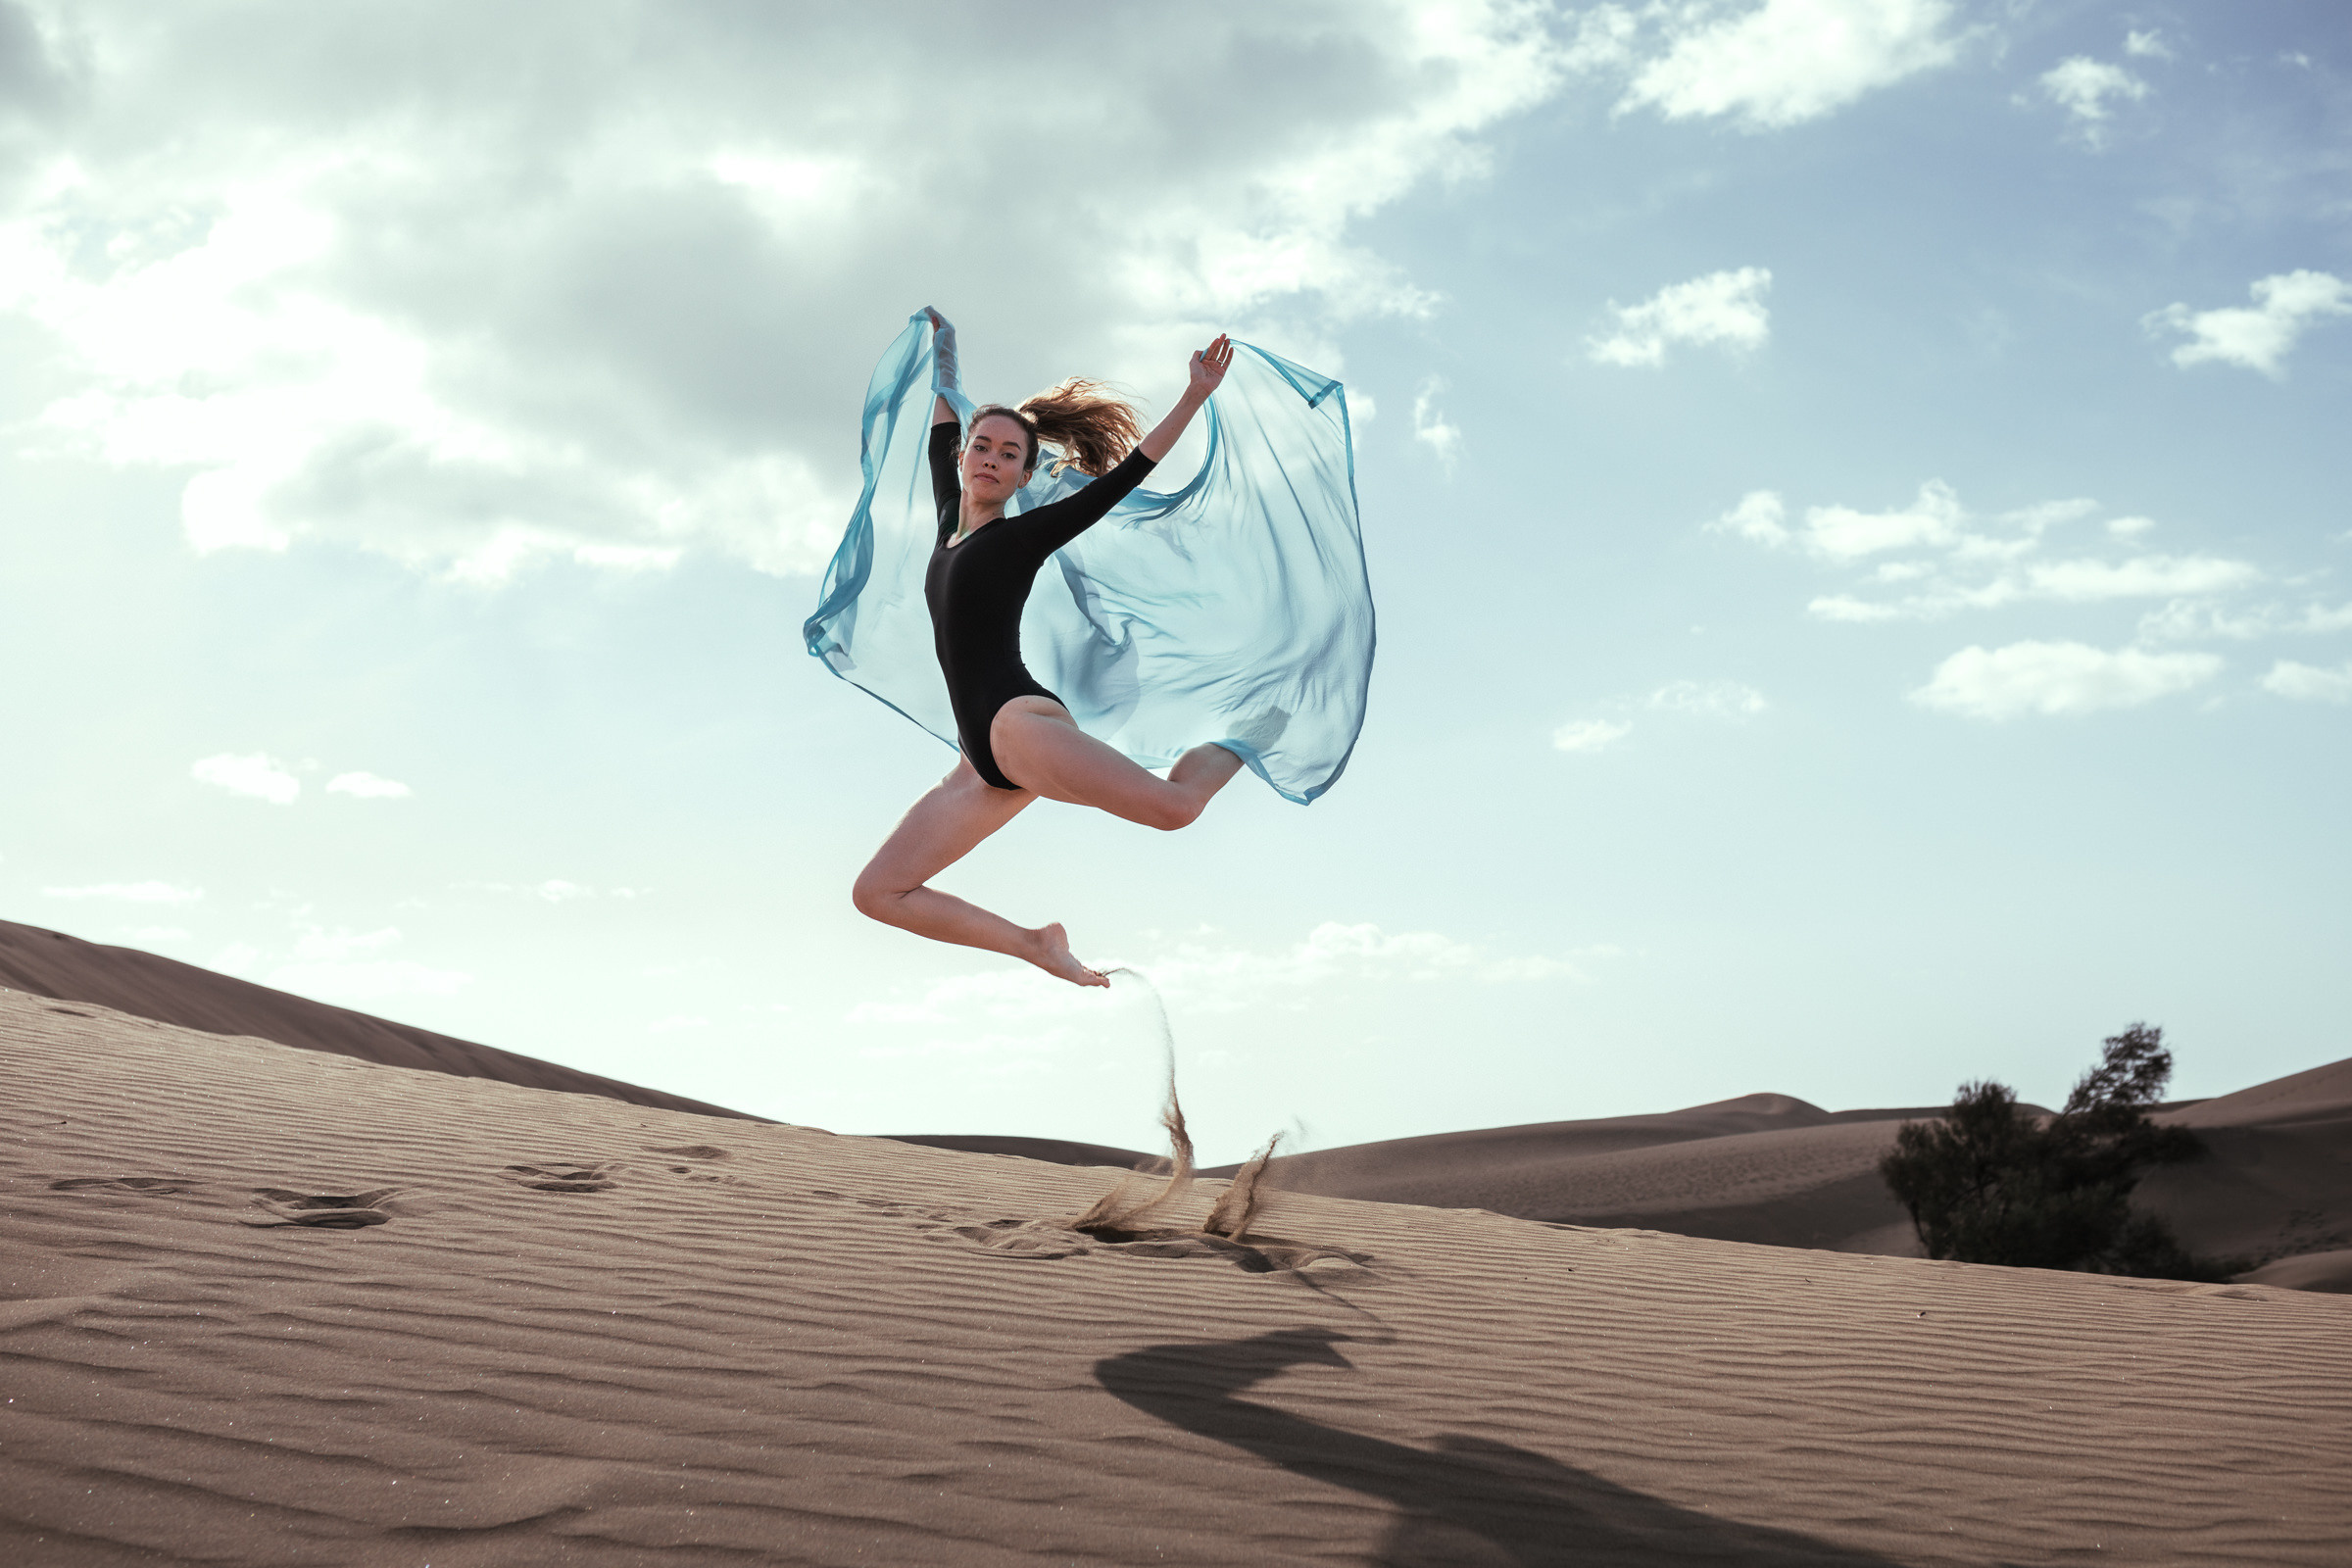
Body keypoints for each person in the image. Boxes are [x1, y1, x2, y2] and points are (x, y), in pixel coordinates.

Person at [850, 310, 1247, 987]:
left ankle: (1255, 729)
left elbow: (1127, 475)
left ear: (1024, 474)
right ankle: (1036, 945)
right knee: (878, 893)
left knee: (1176, 809)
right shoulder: (948, 518)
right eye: (982, 447)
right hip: (980, 762)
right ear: (964, 456)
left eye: (1009, 455)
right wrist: (945, 349)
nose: (991, 459)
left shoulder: (1021, 538)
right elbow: (942, 418)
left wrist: (1193, 395)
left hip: (1020, 725)